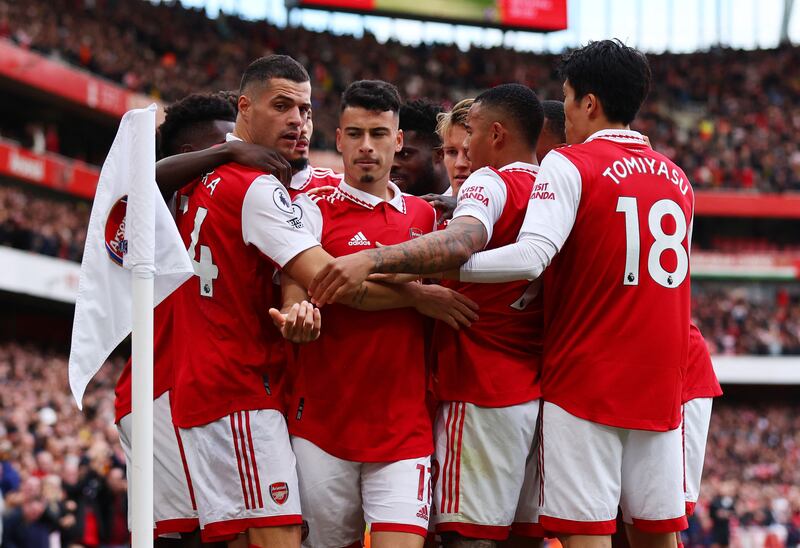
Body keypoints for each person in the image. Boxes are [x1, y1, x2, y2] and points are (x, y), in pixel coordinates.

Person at [309, 39, 693, 548]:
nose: (461, 153)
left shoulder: (561, 167)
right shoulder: (677, 178)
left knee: (537, 535)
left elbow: (512, 250)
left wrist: (423, 273)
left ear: (588, 104)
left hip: (551, 384)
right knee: (648, 534)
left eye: (463, 139)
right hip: (650, 383)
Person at [285, 80, 476, 548]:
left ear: (398, 141)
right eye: (355, 134)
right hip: (323, 430)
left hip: (403, 431)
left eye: (377, 133)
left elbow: (339, 284)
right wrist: (415, 293)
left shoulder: (428, 221)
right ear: (338, 138)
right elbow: (302, 291)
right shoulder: (309, 210)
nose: (366, 147)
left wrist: (364, 281)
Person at [169, 55, 320, 547]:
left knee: (239, 539)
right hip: (239, 389)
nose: (297, 120)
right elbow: (319, 273)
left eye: (305, 109)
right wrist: (417, 284)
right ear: (244, 106)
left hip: (204, 385)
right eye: (282, 106)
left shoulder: (200, 177)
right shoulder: (253, 186)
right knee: (278, 536)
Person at [114, 90, 242, 546]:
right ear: (193, 156)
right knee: (188, 536)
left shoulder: (232, 204)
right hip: (160, 392)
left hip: (205, 388)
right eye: (227, 146)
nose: (239, 156)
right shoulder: (163, 213)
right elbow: (146, 182)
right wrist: (228, 151)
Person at [392, 99, 450, 196]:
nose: (392, 164)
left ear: (440, 155)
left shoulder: (472, 204)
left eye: (405, 154)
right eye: (390, 154)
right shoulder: (381, 204)